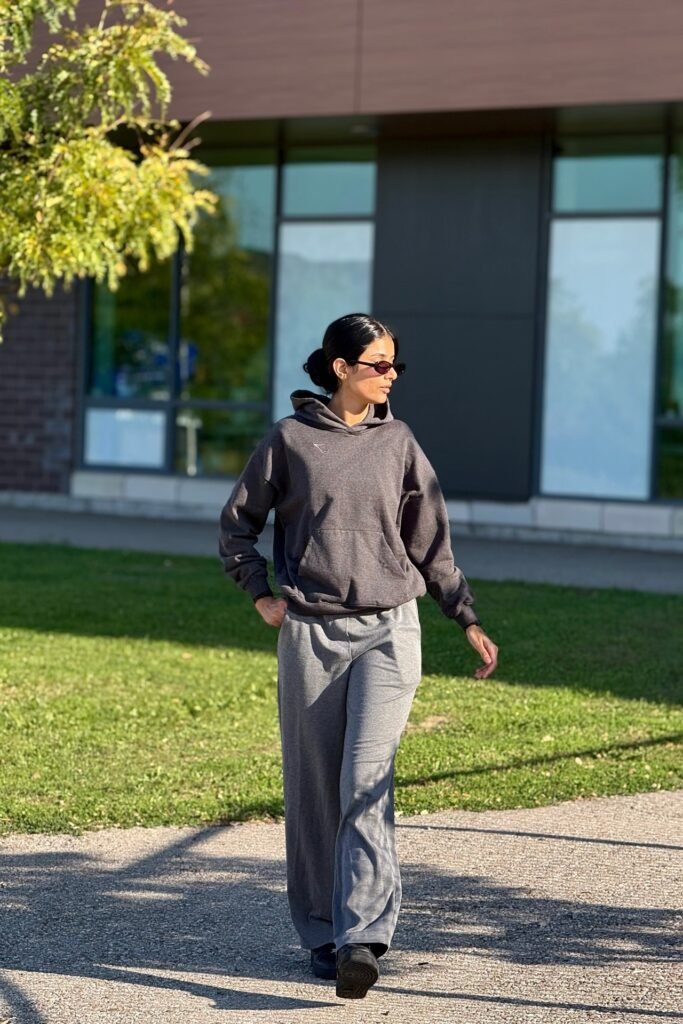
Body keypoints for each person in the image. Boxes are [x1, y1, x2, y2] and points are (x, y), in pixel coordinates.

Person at [218, 312, 498, 1000]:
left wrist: (463, 615)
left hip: (388, 630)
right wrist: (260, 594)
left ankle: (363, 937)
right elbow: (237, 527)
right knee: (315, 790)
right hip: (311, 633)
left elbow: (430, 541)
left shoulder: (398, 441)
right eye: (377, 363)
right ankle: (320, 931)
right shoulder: (288, 443)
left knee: (365, 782)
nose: (390, 375)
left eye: (395, 363)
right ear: (340, 368)